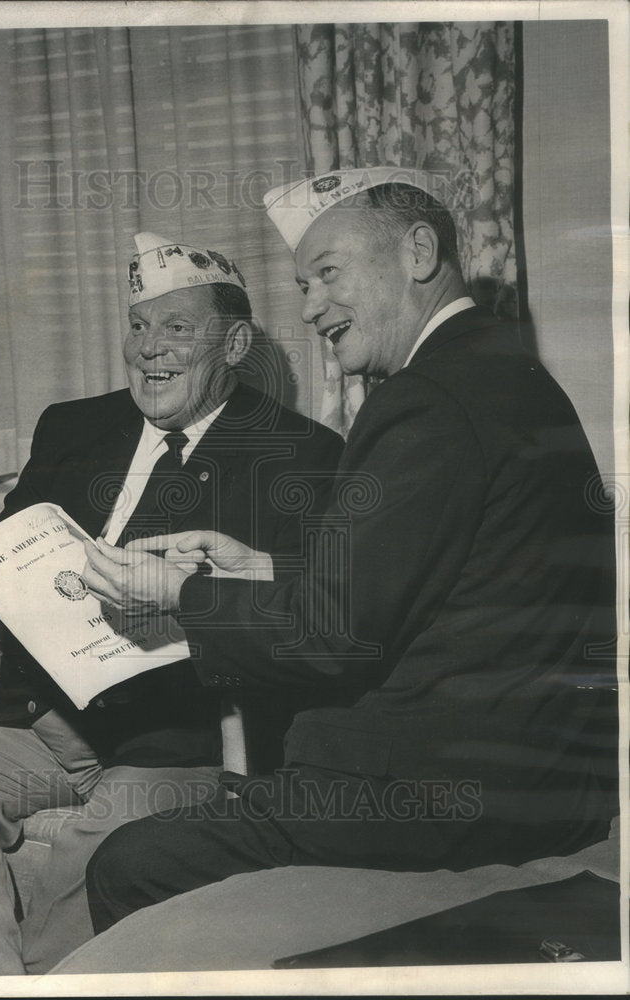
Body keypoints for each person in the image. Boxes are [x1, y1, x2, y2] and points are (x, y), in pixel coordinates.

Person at [80, 169, 618, 936]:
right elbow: (437, 581)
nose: (308, 309)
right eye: (302, 286)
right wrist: (264, 567)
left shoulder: (428, 398)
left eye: (327, 274)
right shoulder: (506, 376)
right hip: (538, 776)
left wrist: (177, 594)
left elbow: (331, 636)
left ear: (418, 252)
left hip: (442, 790)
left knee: (131, 860)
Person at [0, 231, 344, 976]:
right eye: (137, 326)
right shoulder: (74, 426)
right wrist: (50, 706)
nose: (148, 350)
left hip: (180, 732)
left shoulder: (301, 453)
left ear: (233, 346)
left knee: (98, 843)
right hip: (44, 717)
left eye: (175, 329)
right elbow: (0, 571)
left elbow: (292, 619)